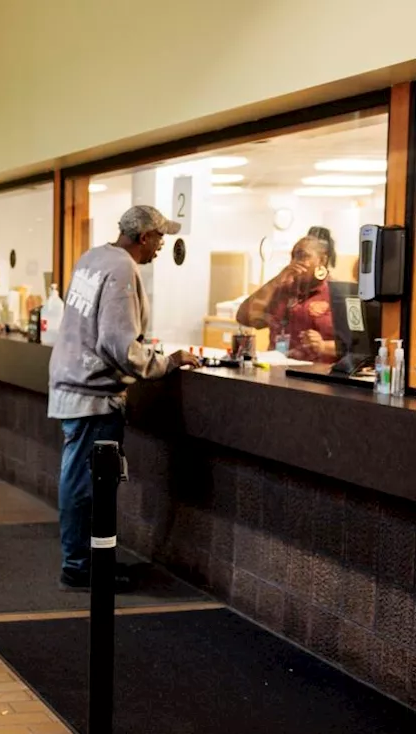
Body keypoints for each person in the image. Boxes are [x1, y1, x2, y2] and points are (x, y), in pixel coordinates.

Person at [48, 206, 200, 591]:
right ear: (144, 237)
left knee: (77, 480)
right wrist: (165, 363)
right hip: (93, 395)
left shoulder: (92, 257)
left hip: (72, 384)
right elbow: (117, 343)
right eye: (160, 238)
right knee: (88, 485)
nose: (162, 247)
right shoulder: (122, 269)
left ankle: (83, 560)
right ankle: (82, 567)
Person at [235, 227, 338, 363]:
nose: (295, 261)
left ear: (322, 260)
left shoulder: (337, 294)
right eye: (293, 256)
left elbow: (358, 348)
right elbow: (244, 318)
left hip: (317, 377)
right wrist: (276, 280)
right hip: (277, 372)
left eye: (302, 255)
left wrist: (324, 346)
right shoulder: (282, 290)